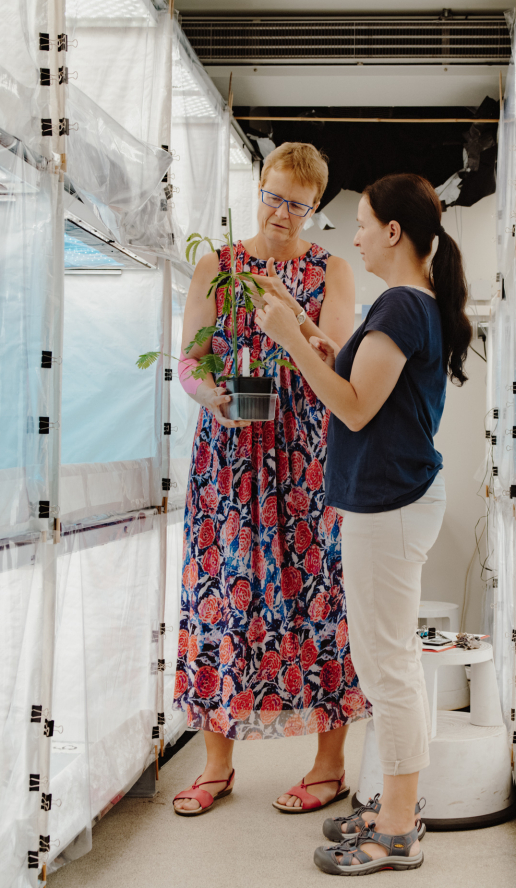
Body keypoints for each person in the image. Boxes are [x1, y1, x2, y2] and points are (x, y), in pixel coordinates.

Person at [256, 172, 472, 875]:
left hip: (390, 505)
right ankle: (394, 808)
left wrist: (289, 339)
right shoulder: (402, 306)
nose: (349, 233)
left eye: (362, 221)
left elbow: (352, 407)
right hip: (389, 501)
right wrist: (311, 330)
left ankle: (400, 827)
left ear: (392, 233)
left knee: (388, 667)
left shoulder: (404, 306)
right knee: (390, 662)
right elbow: (361, 383)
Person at [172, 142, 367, 817]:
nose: (283, 213)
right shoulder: (216, 266)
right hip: (227, 460)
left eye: (299, 204)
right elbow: (190, 361)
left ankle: (330, 764)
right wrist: (210, 396)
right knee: (220, 599)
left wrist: (285, 320)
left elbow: (335, 357)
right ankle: (217, 766)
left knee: (317, 599)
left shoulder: (332, 270)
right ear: (259, 188)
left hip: (306, 458)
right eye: (275, 197)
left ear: (316, 209)